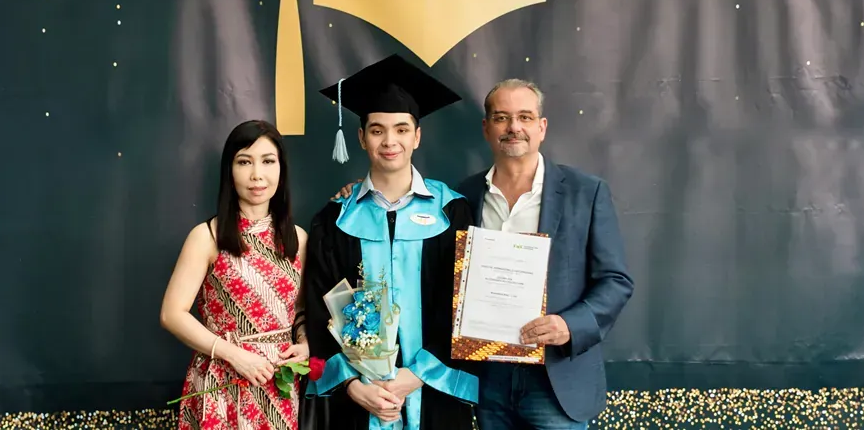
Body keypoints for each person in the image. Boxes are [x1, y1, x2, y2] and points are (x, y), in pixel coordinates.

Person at [333, 78, 634, 429]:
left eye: (524, 117)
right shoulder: (462, 199)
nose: (514, 128)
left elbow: (615, 281)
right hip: (486, 380)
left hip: (554, 380)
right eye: (501, 117)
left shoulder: (586, 192)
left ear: (542, 127)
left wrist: (569, 324)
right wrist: (358, 195)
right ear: (487, 128)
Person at [302, 54, 480, 430]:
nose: (390, 141)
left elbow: (467, 307)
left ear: (417, 136)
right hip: (357, 404)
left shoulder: (453, 213)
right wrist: (353, 385)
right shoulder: (335, 219)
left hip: (435, 394)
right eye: (378, 130)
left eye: (401, 129)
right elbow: (320, 313)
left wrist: (417, 376)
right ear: (361, 137)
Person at [160, 120, 310, 430]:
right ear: (230, 170)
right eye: (245, 162)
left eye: (268, 161)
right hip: (225, 380)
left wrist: (305, 342)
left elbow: (301, 310)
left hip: (281, 382)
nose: (257, 174)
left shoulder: (298, 238)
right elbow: (172, 314)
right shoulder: (207, 237)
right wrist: (233, 355)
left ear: (281, 169)